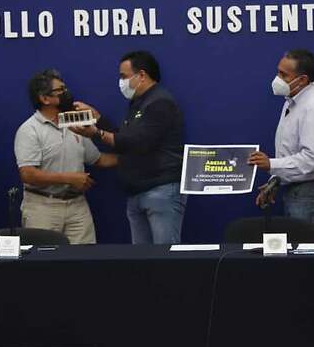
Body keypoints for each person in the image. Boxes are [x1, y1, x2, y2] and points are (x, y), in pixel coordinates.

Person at [72, 51, 187, 244]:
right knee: (141, 261)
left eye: (124, 76)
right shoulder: (137, 103)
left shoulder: (160, 102)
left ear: (142, 75)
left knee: (166, 261)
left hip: (160, 190)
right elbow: (125, 137)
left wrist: (96, 133)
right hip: (136, 191)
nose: (121, 82)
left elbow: (138, 142)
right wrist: (98, 118)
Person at [14, 69, 117, 244]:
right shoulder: (29, 129)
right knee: (43, 265)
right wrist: (69, 178)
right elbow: (28, 174)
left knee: (85, 262)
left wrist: (133, 158)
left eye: (65, 88)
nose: (66, 93)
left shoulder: (75, 123)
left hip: (77, 206)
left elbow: (98, 159)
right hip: (43, 207)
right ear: (44, 99)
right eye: (60, 91)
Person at [248, 49, 314, 242]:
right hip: (297, 189)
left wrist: (271, 165)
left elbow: (311, 159)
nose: (277, 79)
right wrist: (276, 179)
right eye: (278, 72)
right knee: (297, 255)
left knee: (308, 254)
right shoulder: (293, 101)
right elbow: (291, 150)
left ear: (303, 80)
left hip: (312, 193)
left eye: (284, 75)